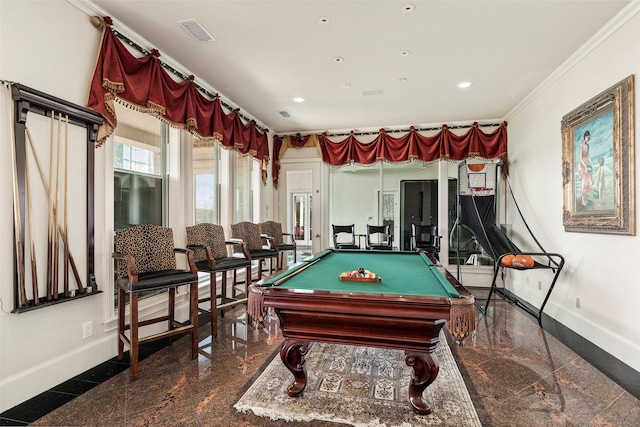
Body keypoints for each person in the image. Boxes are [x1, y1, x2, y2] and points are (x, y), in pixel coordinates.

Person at [578, 130, 594, 206]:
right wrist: (585, 166)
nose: (588, 139)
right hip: (582, 164)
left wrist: (592, 164)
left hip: (586, 163)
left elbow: (588, 156)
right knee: (583, 182)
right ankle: (582, 200)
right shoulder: (581, 145)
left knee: (587, 181)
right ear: (584, 137)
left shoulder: (587, 146)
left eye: (588, 137)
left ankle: (585, 198)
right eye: (587, 137)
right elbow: (580, 158)